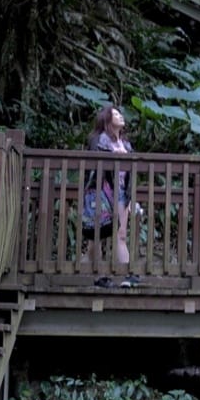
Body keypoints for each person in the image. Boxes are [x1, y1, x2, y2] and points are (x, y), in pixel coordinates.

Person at [87, 105, 137, 280]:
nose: (120, 116)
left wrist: (130, 200)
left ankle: (126, 276)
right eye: (115, 114)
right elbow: (94, 159)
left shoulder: (127, 144)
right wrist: (115, 153)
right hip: (103, 192)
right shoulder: (98, 139)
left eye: (120, 113)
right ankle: (97, 276)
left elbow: (131, 173)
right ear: (107, 119)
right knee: (97, 236)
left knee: (120, 235)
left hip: (122, 192)